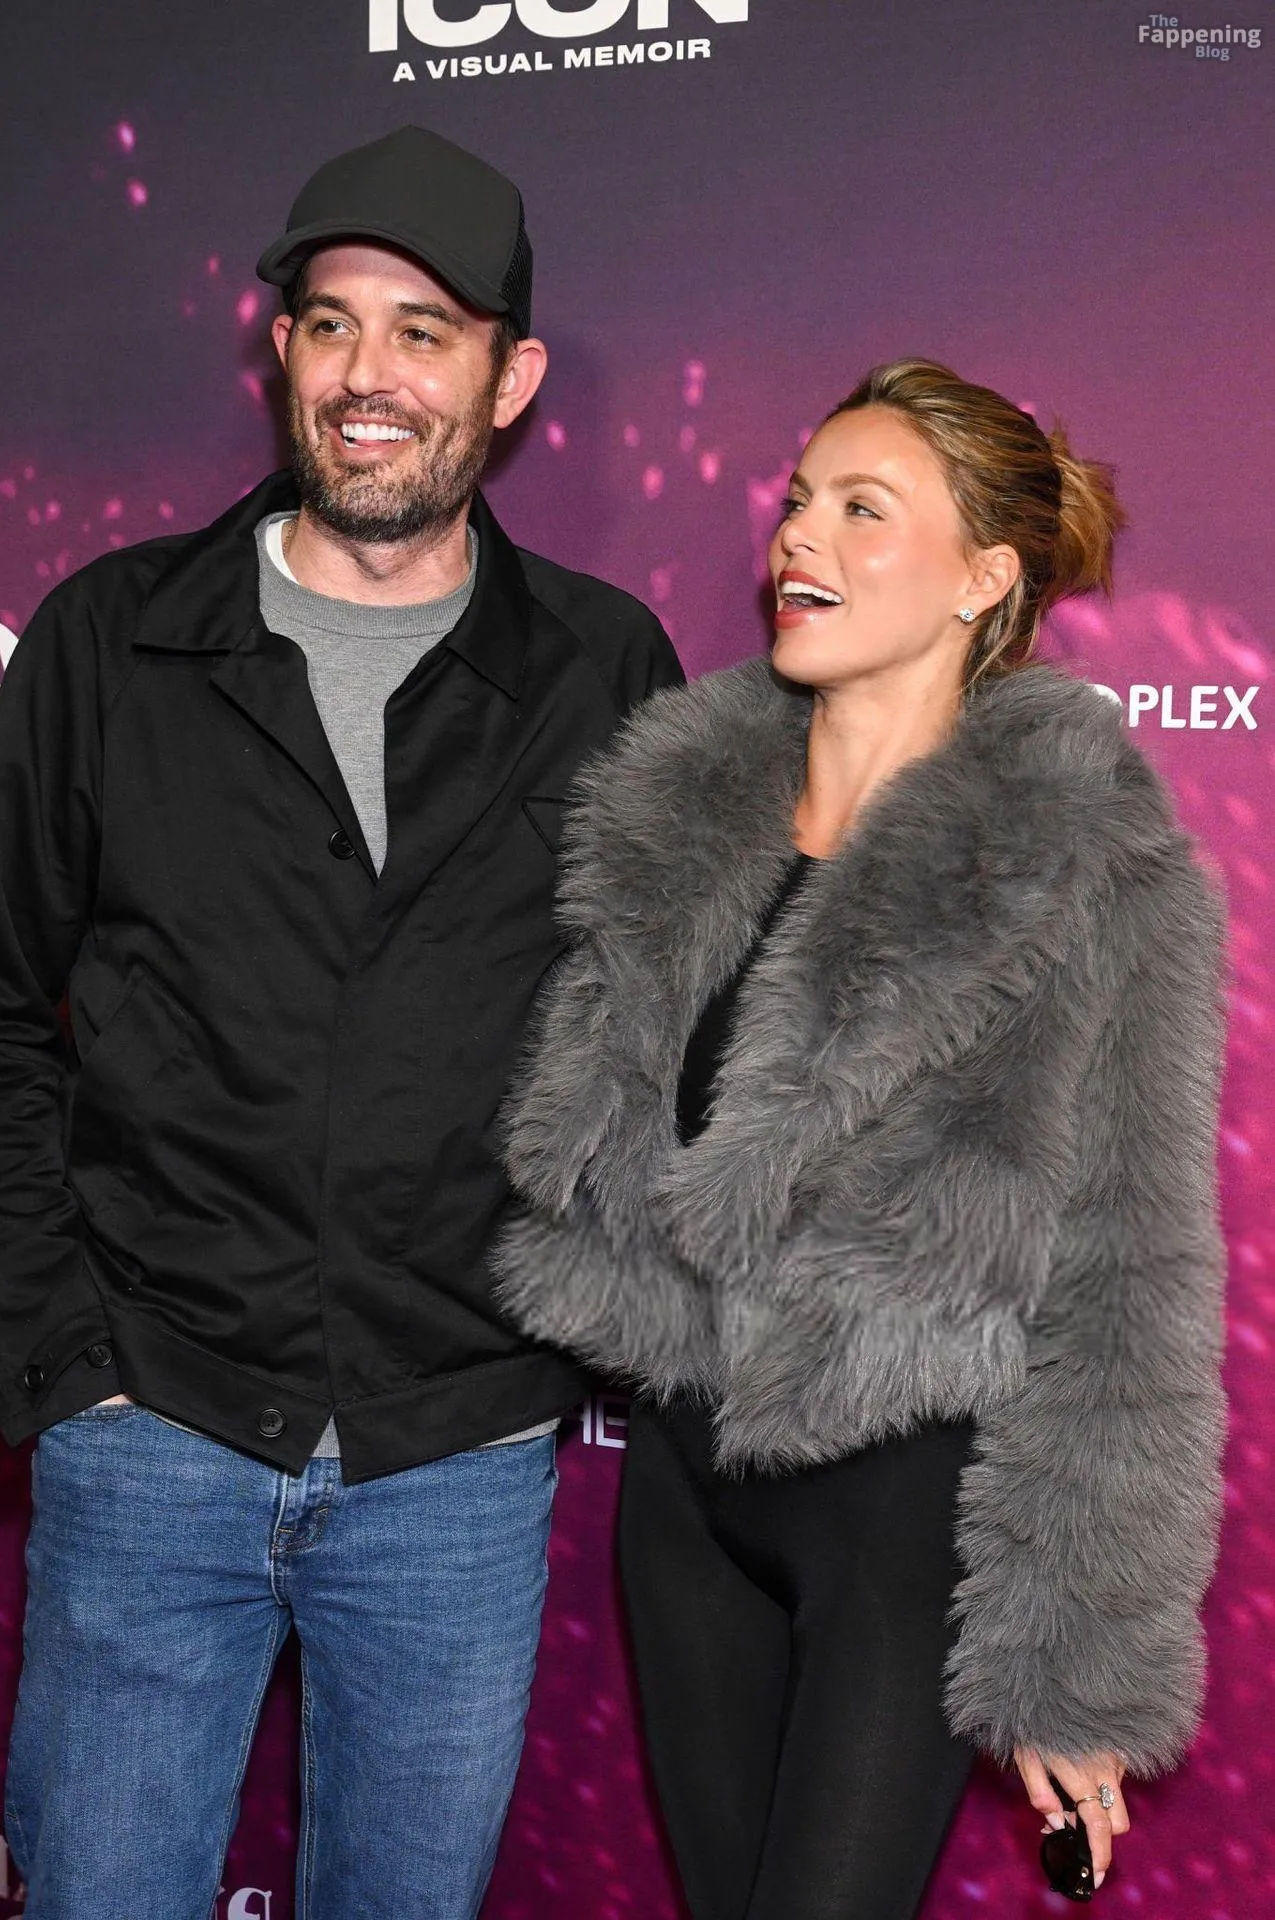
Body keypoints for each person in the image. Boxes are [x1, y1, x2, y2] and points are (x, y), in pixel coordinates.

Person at [0, 124, 682, 1920]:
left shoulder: (604, 668)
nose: (366, 375)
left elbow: (656, 1044)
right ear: (280, 354)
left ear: (510, 377)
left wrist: (566, 1323)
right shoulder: (109, 640)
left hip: (455, 1466)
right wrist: (70, 1369)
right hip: (148, 1437)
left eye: (423, 331)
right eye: (330, 325)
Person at [495, 359, 1226, 1920]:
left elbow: (1132, 1277)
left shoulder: (1095, 869)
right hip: (678, 1494)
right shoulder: (670, 829)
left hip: (898, 1516)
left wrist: (1072, 1651)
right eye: (796, 500)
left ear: (982, 578)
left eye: (860, 508)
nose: (797, 539)